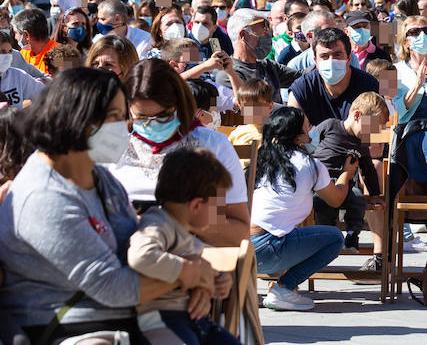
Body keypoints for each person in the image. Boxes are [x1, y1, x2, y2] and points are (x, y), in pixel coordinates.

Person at [0, 67, 190, 341]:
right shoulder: (43, 194)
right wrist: (189, 275)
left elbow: (130, 243)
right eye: (113, 117)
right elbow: (112, 286)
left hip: (130, 315)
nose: (124, 127)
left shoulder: (98, 176)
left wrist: (195, 267)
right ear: (76, 118)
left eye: (123, 116)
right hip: (74, 328)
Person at [111, 59, 250, 245]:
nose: (152, 124)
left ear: (179, 105)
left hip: (195, 254)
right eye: (142, 118)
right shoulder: (114, 145)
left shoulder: (212, 144)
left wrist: (185, 217)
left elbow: (239, 233)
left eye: (162, 116)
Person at [127, 146, 236, 345]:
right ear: (195, 205)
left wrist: (219, 279)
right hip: (163, 320)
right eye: (217, 205)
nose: (220, 213)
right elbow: (141, 256)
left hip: (194, 319)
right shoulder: (159, 224)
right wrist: (188, 271)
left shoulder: (185, 232)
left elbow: (202, 262)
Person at [250, 107, 352, 311]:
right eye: (307, 126)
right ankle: (284, 288)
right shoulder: (310, 165)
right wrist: (347, 174)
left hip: (242, 247)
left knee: (291, 232)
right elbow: (335, 200)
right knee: (334, 237)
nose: (311, 129)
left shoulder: (260, 160)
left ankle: (281, 287)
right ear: (297, 135)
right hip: (269, 249)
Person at [310, 92, 387, 269]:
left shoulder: (362, 142)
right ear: (357, 116)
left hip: (345, 186)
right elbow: (309, 143)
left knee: (358, 200)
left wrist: (374, 194)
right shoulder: (330, 126)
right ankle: (327, 237)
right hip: (320, 182)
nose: (373, 133)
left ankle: (352, 235)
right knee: (321, 204)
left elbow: (367, 168)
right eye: (372, 127)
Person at [285, 27, 380, 128]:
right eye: (324, 56)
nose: (331, 61)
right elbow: (293, 132)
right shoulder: (302, 87)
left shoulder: (369, 85)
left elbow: (376, 132)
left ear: (349, 58)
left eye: (337, 55)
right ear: (315, 61)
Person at [0, 29, 45, 107]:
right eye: (2, 52)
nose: (7, 56)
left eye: (10, 51)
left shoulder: (17, 75)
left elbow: (46, 94)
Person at [12, 7, 57, 75]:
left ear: (26, 35)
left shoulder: (62, 55)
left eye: (15, 33)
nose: (15, 37)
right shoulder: (22, 54)